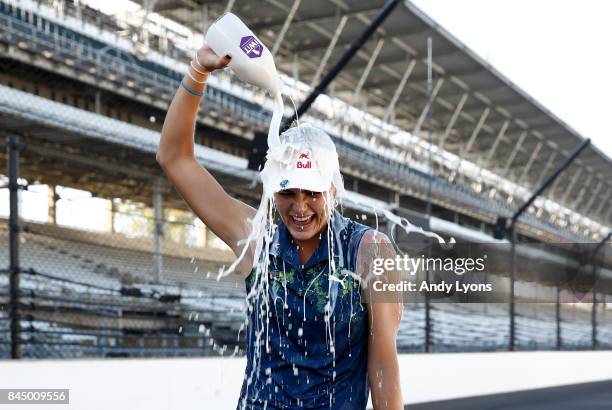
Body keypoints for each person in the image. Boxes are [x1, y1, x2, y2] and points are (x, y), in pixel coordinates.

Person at [157, 44, 403, 410]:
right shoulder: (257, 238)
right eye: (288, 192)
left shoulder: (370, 250)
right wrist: (198, 71)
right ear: (273, 190)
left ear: (332, 189)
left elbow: (382, 364)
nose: (300, 207)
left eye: (313, 193)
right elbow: (174, 158)